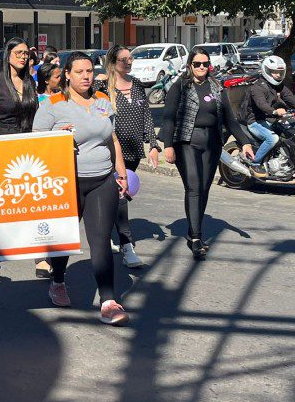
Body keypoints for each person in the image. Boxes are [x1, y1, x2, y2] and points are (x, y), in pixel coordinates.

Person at [33, 52, 131, 326]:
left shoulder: (102, 101)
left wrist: (120, 173)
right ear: (66, 74)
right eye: (80, 72)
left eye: (89, 70)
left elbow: (112, 139)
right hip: (66, 182)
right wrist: (55, 138)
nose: (86, 76)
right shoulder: (52, 104)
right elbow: (35, 143)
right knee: (64, 238)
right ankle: (58, 280)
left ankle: (109, 301)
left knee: (100, 240)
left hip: (102, 179)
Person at [160, 47, 255, 260]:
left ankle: (195, 228)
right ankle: (195, 237)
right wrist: (167, 144)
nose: (201, 67)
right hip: (187, 141)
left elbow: (230, 119)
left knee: (203, 188)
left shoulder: (216, 87)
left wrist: (245, 142)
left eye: (205, 64)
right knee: (193, 187)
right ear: (189, 65)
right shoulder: (181, 86)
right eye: (197, 64)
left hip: (212, 143)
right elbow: (168, 117)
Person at [95, 45, 159, 268]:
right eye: (123, 59)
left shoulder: (138, 85)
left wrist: (153, 144)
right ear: (113, 63)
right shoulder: (102, 87)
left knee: (122, 195)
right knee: (120, 196)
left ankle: (106, 235)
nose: (129, 62)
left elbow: (147, 116)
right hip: (111, 151)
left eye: (130, 58)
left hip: (133, 151)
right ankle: (127, 245)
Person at [0, 37, 38, 269]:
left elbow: (36, 115)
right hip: (2, 144)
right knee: (2, 202)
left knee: (29, 199)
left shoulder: (29, 81)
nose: (23, 57)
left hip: (29, 146)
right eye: (18, 52)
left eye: (26, 53)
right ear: (8, 54)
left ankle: (38, 251)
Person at [238, 55, 295, 176]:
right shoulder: (257, 87)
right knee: (272, 138)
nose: (278, 75)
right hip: (254, 121)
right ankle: (255, 163)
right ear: (267, 71)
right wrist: (275, 112)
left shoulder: (278, 86)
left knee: (289, 133)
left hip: (269, 119)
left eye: (280, 72)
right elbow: (262, 104)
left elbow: (290, 98)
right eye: (275, 72)